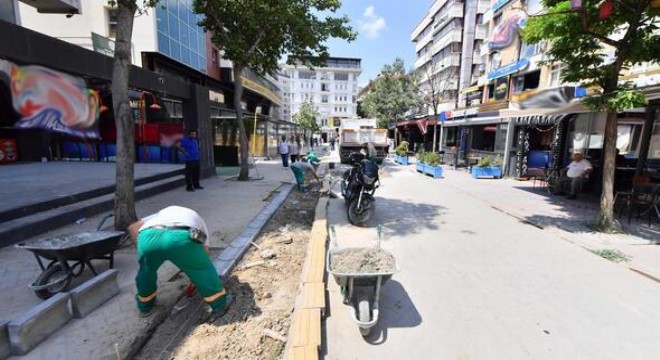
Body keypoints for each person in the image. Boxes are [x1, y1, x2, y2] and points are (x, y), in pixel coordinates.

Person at [127, 206, 233, 318]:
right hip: (179, 236)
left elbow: (132, 227)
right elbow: (205, 251)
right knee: (202, 269)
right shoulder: (196, 218)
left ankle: (145, 307)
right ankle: (220, 304)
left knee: (146, 271)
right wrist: (194, 274)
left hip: (148, 237)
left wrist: (141, 250)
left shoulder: (157, 215)